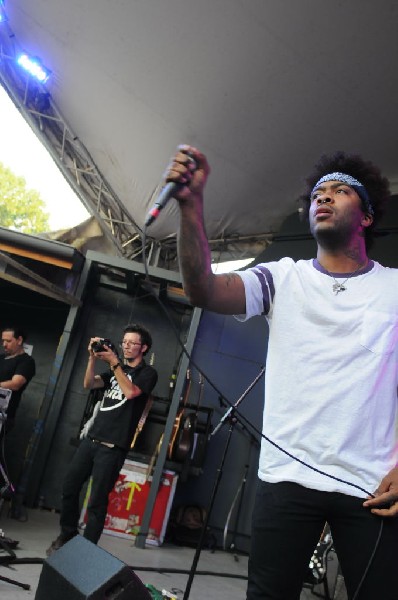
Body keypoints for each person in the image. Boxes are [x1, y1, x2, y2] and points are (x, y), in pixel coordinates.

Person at [164, 145, 398, 599]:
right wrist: (191, 208)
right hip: (286, 475)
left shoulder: (393, 287)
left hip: (370, 484)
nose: (323, 198)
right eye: (317, 194)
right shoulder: (281, 278)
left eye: (339, 191)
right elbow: (203, 289)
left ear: (367, 216)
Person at [46, 323, 158, 555]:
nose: (126, 346)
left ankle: (86, 552)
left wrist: (114, 362)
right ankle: (67, 535)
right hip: (92, 440)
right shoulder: (112, 372)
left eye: (132, 343)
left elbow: (131, 393)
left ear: (143, 348)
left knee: (96, 502)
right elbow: (89, 384)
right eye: (124, 342)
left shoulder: (147, 374)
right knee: (69, 487)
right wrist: (92, 359)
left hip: (113, 447)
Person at [0, 326, 36, 431]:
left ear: (19, 340)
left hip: (4, 414)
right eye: (3, 341)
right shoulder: (1, 358)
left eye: (8, 341)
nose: (4, 344)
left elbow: (16, 384)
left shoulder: (26, 361)